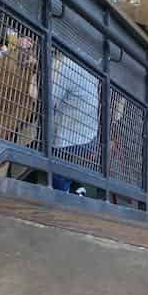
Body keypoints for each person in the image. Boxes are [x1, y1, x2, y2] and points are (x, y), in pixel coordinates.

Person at [50, 53, 100, 193]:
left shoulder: (65, 65)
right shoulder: (88, 57)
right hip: (91, 136)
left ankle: (62, 193)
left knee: (53, 162)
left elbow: (48, 99)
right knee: (70, 161)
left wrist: (33, 79)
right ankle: (78, 187)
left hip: (72, 142)